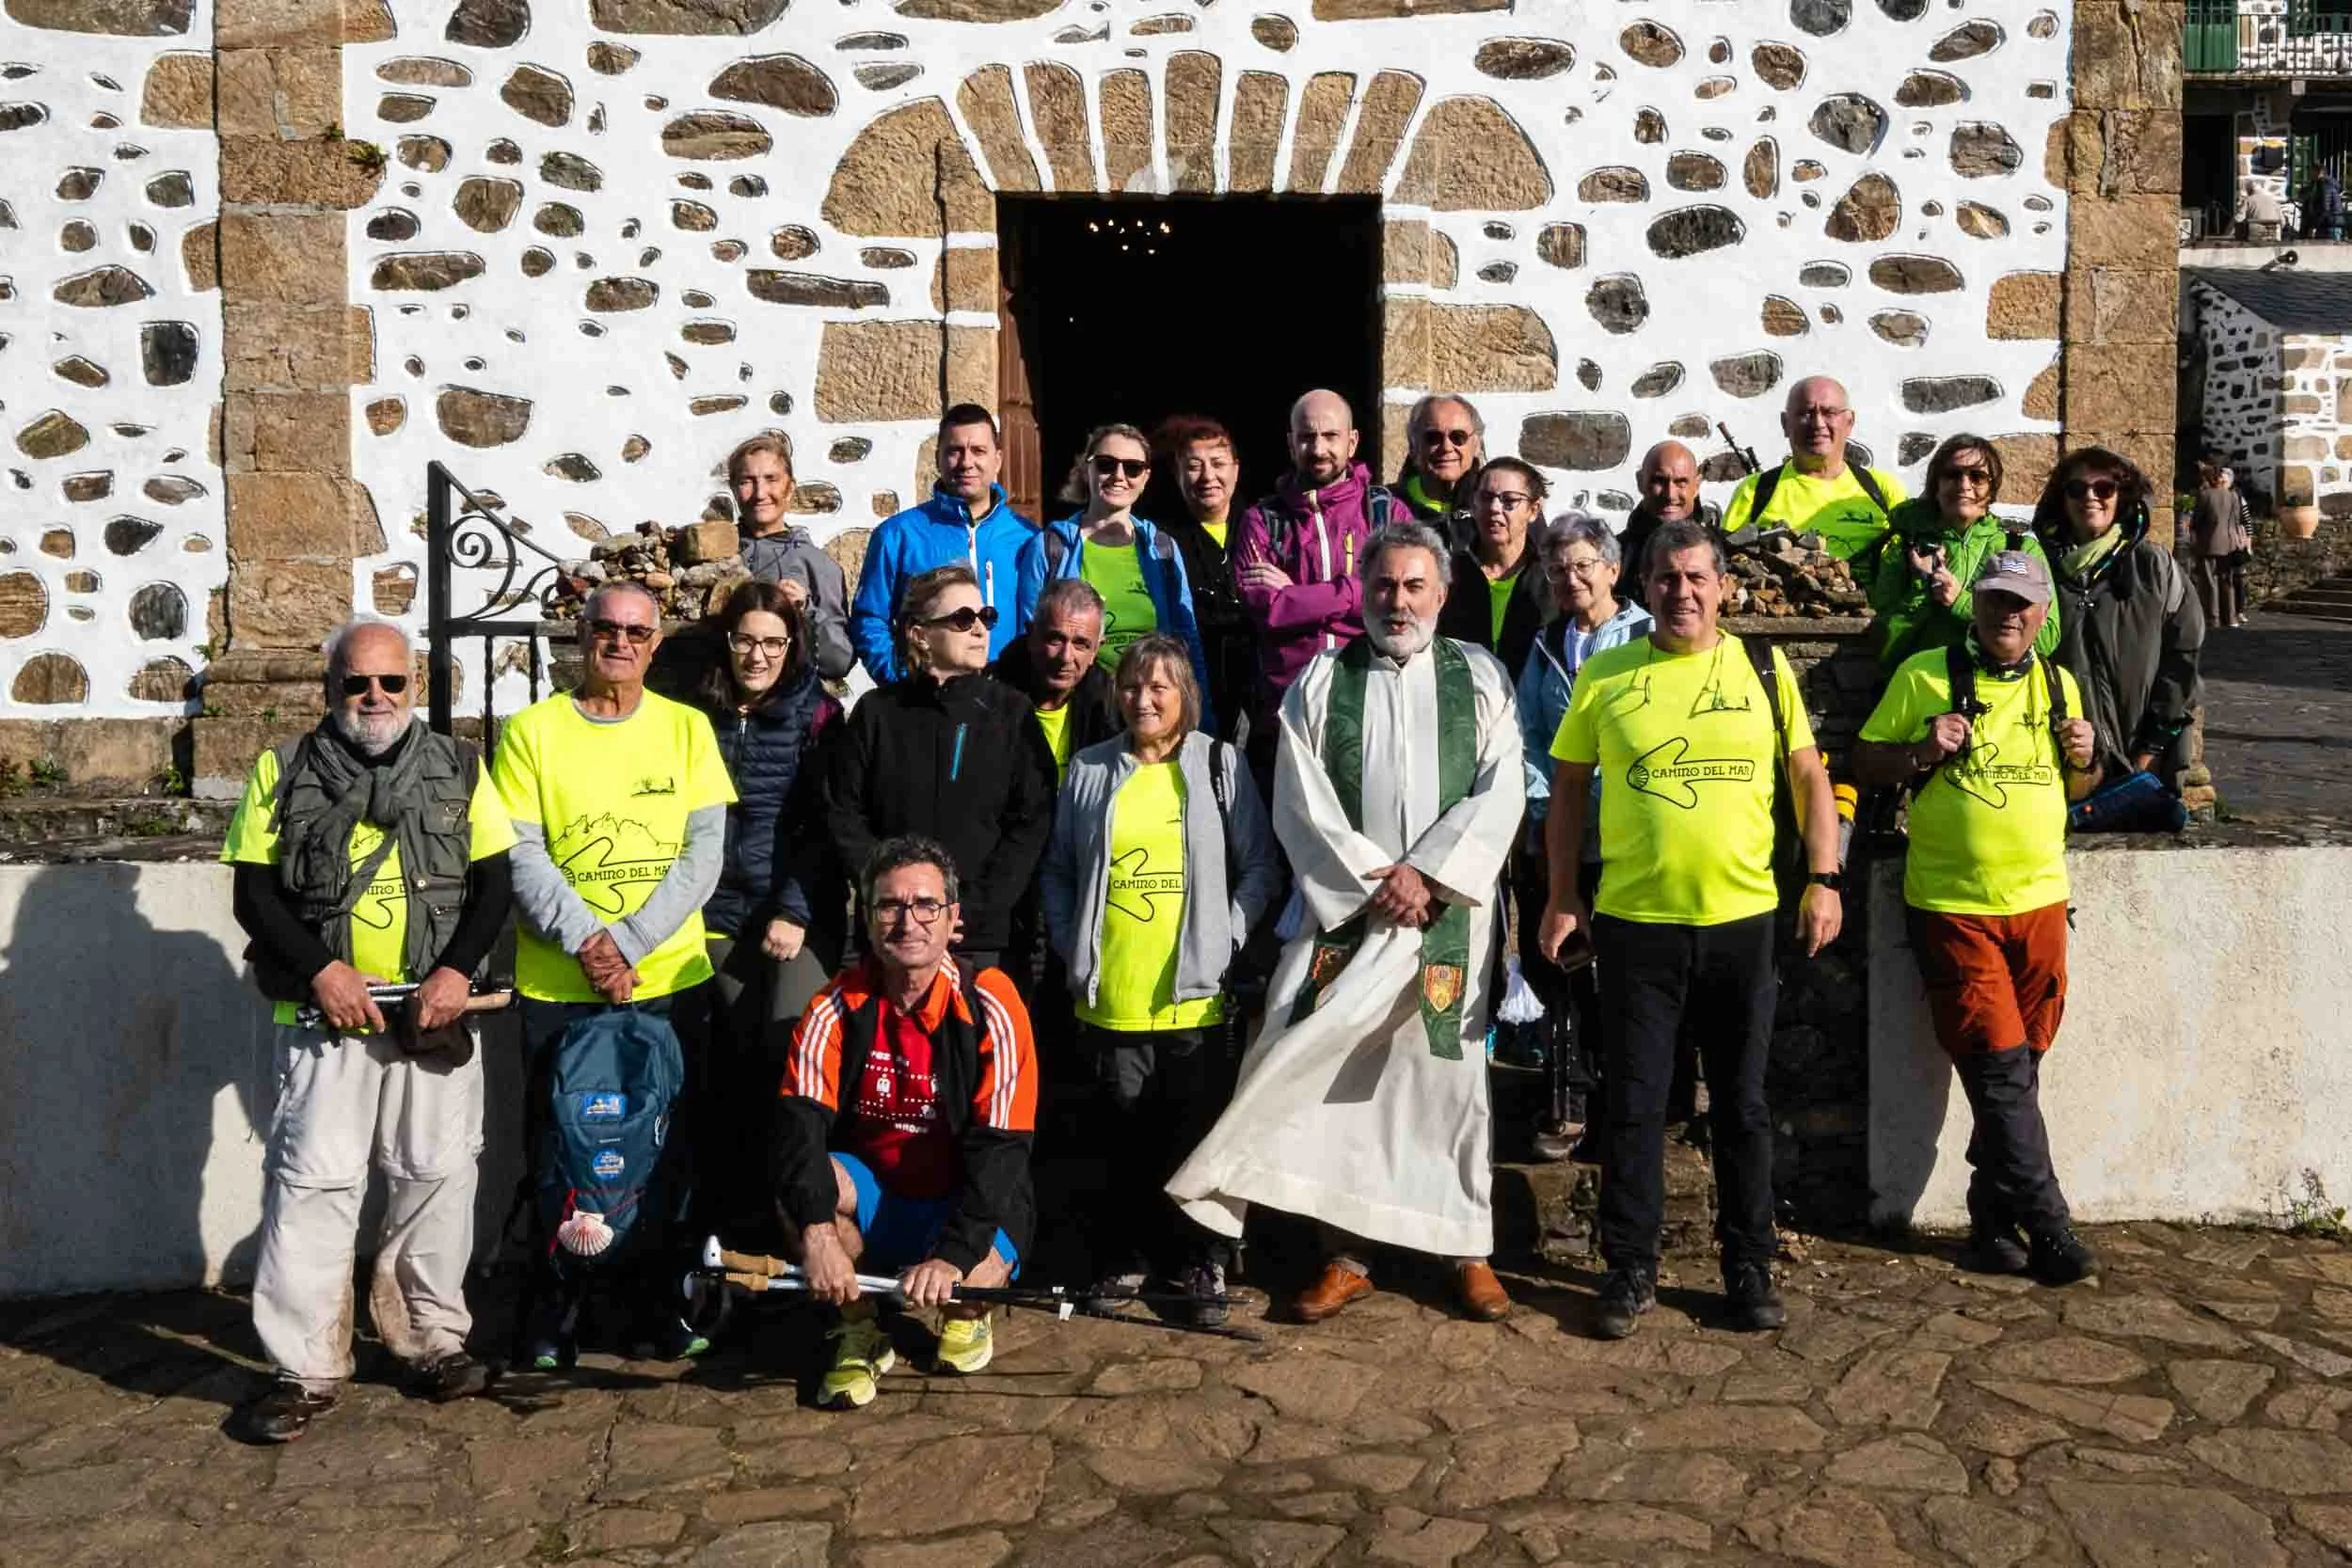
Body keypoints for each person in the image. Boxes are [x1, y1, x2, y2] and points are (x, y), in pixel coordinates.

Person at [1169, 521, 1524, 1325]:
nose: (1397, 602)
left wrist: (1430, 875)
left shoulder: (1481, 675)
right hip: (1352, 917)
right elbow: (1300, 795)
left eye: (1413, 586)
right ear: (1361, 593)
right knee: (1339, 1077)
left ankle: (1464, 1245)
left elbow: (1500, 788)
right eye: (1383, 586)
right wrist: (1378, 880)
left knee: (1445, 1080)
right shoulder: (1325, 679)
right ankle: (1347, 1252)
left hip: (1444, 918)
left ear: (1442, 592)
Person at [1539, 519, 1845, 1338]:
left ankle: (1748, 1263)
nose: (1681, 592)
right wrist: (1563, 893)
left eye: (1696, 578)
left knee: (1741, 1104)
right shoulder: (1605, 674)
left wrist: (1823, 878)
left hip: (1744, 922)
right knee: (1635, 1104)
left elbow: (1810, 775)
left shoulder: (1763, 667)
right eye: (1666, 578)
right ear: (1643, 587)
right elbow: (1568, 791)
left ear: (1722, 587)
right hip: (1636, 926)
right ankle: (1629, 1265)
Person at [222, 618, 514, 1442]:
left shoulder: (461, 767)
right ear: (331, 690)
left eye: (392, 682)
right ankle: (305, 1365)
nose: (375, 697)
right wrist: (322, 968)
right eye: (358, 683)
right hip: (326, 1015)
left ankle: (431, 1340)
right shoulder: (280, 769)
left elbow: (492, 884)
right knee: (313, 1186)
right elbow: (254, 892)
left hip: (435, 1012)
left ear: (413, 685)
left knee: (437, 1176)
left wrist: (456, 972)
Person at [495, 580, 737, 1365]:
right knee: (560, 1156)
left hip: (669, 979)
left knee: (671, 1153)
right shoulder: (531, 733)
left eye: (637, 631)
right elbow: (521, 854)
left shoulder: (687, 729)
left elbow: (704, 856)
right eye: (606, 628)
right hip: (559, 987)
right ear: (582, 634)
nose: (621, 643)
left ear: (656, 643)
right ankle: (556, 1316)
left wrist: (628, 943)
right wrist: (589, 945)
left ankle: (664, 1304)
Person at [1853, 550, 2103, 1285]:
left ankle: (1991, 1217)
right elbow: (1867, 761)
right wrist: (1921, 748)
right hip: (1955, 905)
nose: (2009, 614)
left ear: (2041, 616)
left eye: (2024, 604)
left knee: (2019, 1069)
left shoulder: (2060, 683)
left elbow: (2081, 782)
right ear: (1979, 602)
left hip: (2042, 901)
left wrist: (2087, 756)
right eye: (1996, 599)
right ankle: (2051, 1225)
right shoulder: (1924, 672)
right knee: (1998, 1069)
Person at [1041, 634, 1281, 1321]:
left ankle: (1199, 1264)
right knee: (1123, 1141)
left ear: (1185, 696)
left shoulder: (1217, 765)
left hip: (1196, 1001)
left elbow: (1260, 865)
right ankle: (1126, 1260)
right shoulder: (1089, 770)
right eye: (1130, 686)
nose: (1141, 699)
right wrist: (1069, 943)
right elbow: (1058, 869)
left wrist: (1228, 933)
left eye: (1158, 688)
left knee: (1196, 1139)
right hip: (1112, 997)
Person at [776, 837, 1038, 1409]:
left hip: (967, 1197)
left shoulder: (992, 1000)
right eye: (889, 906)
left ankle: (967, 1313)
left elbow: (1003, 1146)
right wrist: (818, 1236)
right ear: (866, 921)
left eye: (926, 905)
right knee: (804, 1185)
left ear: (953, 920)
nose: (907, 921)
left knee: (973, 1281)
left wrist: (954, 1254)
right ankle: (858, 1327)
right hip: (878, 1193)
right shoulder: (833, 1006)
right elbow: (798, 1132)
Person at [696, 581, 844, 1247]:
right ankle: (735, 1228)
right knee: (727, 1068)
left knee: (794, 1056)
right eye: (746, 640)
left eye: (773, 642)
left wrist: (794, 909)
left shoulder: (819, 716)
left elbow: (822, 826)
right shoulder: (697, 708)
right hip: (716, 912)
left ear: (793, 645)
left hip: (792, 917)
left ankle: (806, 1222)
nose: (758, 655)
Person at [826, 563, 1057, 970]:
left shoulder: (1011, 713)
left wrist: (967, 910)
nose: (980, 630)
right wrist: (897, 901)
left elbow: (1031, 821)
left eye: (985, 617)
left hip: (983, 940)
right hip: (894, 936)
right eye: (963, 619)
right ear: (919, 633)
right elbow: (844, 813)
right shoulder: (877, 714)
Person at [1513, 514, 1651, 1161]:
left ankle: (1620, 1111)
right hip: (1563, 832)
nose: (1569, 578)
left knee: (1620, 975)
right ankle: (1565, 1099)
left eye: (1582, 565)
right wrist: (1545, 803)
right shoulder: (1547, 642)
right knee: (1558, 968)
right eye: (1556, 568)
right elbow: (1527, 734)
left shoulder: (1647, 635)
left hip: (1627, 833)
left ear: (1613, 570)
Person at [1232, 389, 1398, 775]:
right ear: (1291, 444)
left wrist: (1296, 597)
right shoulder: (1262, 520)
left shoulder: (1385, 512)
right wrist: (1358, 589)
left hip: (1370, 710)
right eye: (1307, 437)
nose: (1318, 448)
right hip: (1285, 717)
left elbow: (1397, 598)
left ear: (1352, 441)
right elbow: (1265, 610)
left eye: (1330, 436)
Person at [2028, 448, 2204, 803]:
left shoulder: (2154, 568)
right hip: (2063, 766)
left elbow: (2181, 663)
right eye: (2077, 489)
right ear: (2061, 499)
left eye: (2104, 488)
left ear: (2122, 496)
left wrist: (2148, 755)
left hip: (2144, 763)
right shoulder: (2038, 568)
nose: (2091, 497)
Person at [1013, 423, 1215, 724]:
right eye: (1106, 465)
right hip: (1079, 709)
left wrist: (1202, 715)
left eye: (1132, 468)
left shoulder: (1162, 549)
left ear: (1145, 478)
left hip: (1151, 707)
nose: (1118, 476)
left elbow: (1187, 639)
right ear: (1087, 469)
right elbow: (1028, 637)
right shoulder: (1050, 547)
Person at [850, 404, 1036, 682]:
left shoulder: (1028, 538)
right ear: (938, 458)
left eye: (978, 451)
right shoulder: (898, 535)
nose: (965, 462)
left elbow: (1037, 624)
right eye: (954, 451)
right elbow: (869, 619)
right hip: (926, 706)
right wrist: (903, 682)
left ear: (997, 460)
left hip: (1007, 701)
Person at [1869, 435, 2060, 673]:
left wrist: (1962, 602)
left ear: (1992, 490)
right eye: (1952, 475)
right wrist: (1921, 589)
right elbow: (1884, 646)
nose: (1964, 485)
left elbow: (2048, 638)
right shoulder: (1905, 546)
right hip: (1927, 685)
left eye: (1977, 477)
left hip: (1997, 687)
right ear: (1935, 486)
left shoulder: (2021, 550)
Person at [1719, 376, 1906, 561]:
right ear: (1785, 424)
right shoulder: (1754, 491)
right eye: (1805, 413)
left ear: (1849, 422)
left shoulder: (1882, 489)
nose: (1817, 423)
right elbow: (1724, 563)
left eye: (1829, 412)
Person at [1156, 414, 1257, 743]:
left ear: (1236, 469)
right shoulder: (1161, 540)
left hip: (1259, 690)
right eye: (1194, 466)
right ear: (1177, 473)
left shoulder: (1264, 528)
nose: (1208, 476)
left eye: (1218, 463)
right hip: (1196, 687)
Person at [728, 433, 853, 681]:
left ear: (790, 487)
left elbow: (839, 662)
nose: (760, 492)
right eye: (747, 481)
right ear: (733, 487)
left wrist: (806, 610)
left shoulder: (817, 565)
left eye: (771, 479)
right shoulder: (710, 554)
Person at [991, 577, 1121, 786]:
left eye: (1081, 644)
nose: (1066, 657)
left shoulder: (1112, 708)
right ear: (1031, 634)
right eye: (1055, 639)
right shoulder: (988, 699)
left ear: (1096, 649)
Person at [1437, 456, 1549, 678]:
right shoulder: (1449, 572)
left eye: (1509, 501)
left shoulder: (1552, 578)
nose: (1495, 508)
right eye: (1486, 498)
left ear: (1534, 509)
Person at [1618, 440, 1719, 610]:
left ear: (1696, 486)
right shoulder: (1614, 555)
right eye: (1659, 481)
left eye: (1681, 482)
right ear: (1640, 482)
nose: (1670, 494)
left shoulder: (1721, 551)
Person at [1395, 393, 1486, 548]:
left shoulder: (1500, 504)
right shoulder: (1385, 507)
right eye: (1432, 437)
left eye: (1458, 437)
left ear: (1476, 445)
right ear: (1412, 445)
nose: (1446, 448)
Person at [2188, 460, 2253, 631]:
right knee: (2227, 581)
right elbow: (2237, 519)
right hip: (2230, 543)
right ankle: (2230, 617)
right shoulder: (2233, 495)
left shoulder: (2205, 495)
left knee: (2210, 581)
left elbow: (2196, 521)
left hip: (2209, 543)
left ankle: (2213, 618)